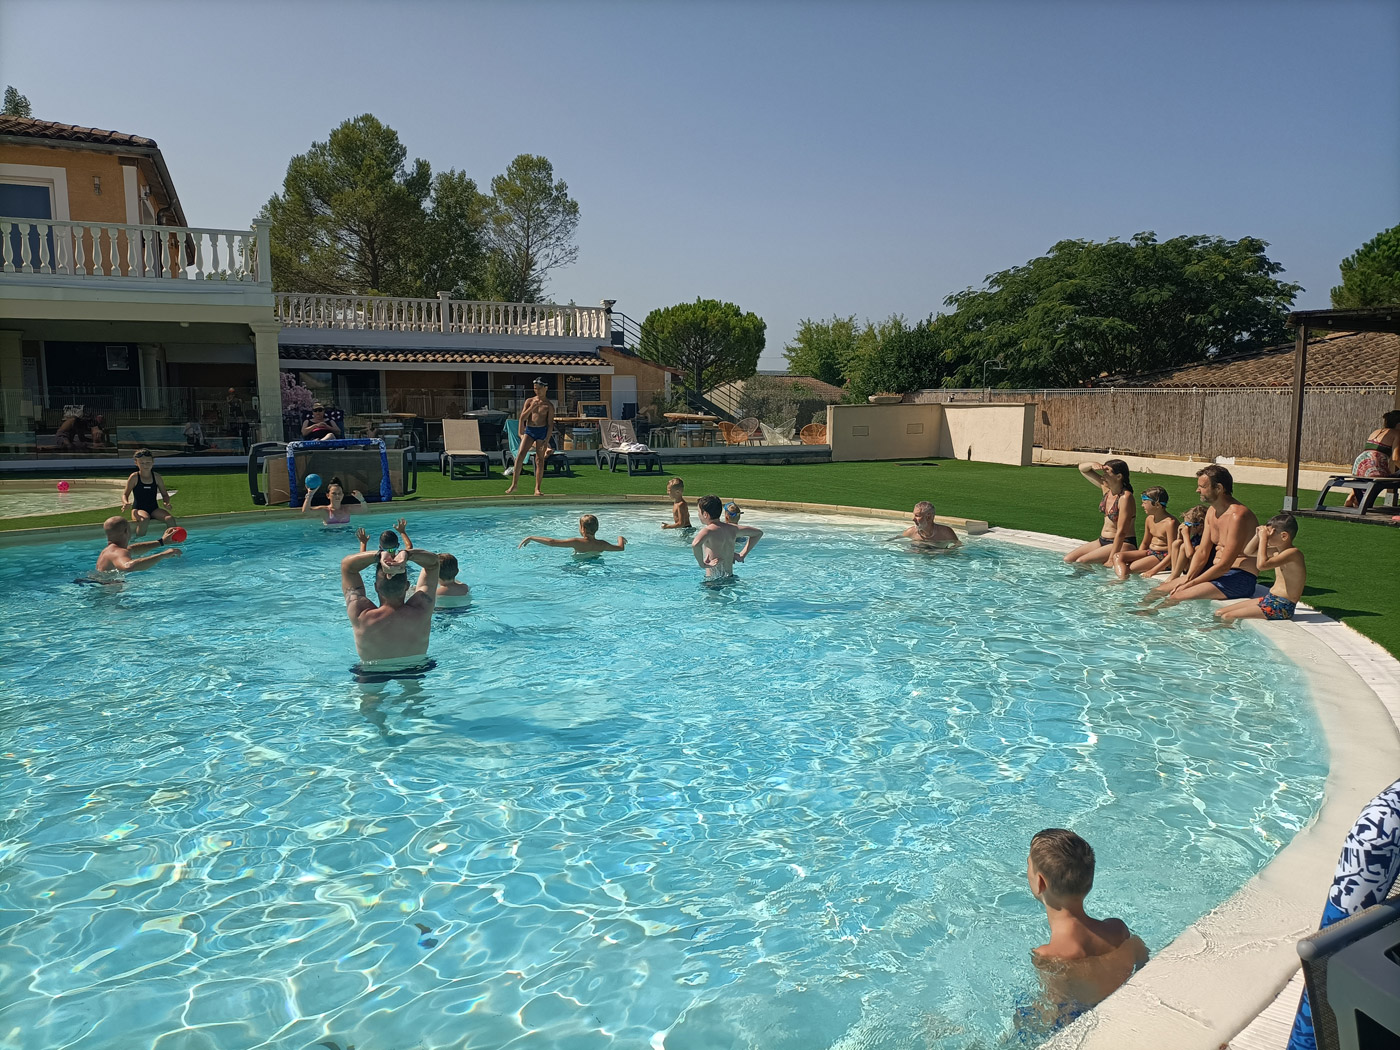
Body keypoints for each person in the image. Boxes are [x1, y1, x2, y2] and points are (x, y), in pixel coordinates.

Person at [1024, 828, 1148, 1027]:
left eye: (1028, 864)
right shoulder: (1118, 930)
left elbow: (1053, 1015)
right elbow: (1145, 962)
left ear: (1040, 882)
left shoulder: (1048, 957)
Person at [1151, 465, 1260, 604]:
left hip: (1239, 577)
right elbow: (1202, 552)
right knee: (1159, 590)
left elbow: (1225, 565)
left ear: (1218, 488)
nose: (1197, 490)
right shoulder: (1211, 512)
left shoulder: (1237, 516)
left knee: (1177, 596)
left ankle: (1155, 615)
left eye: (1202, 486)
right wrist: (1189, 578)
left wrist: (1190, 584)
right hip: (1215, 572)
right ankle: (1141, 615)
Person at [340, 531, 440, 672]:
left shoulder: (360, 613)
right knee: (413, 686)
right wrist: (406, 554)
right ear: (406, 586)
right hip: (414, 669)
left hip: (372, 673)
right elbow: (433, 563)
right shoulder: (422, 607)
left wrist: (380, 555)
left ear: (376, 587)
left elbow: (347, 566)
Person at [1216, 513, 1306, 621]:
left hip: (1282, 606)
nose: (1267, 537)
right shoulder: (1277, 551)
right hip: (1270, 599)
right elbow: (1248, 552)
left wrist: (1263, 539)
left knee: (1228, 616)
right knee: (1220, 612)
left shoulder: (1293, 554)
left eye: (1270, 534)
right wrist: (1257, 536)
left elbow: (1261, 565)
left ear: (1284, 536)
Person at [1063, 460, 1136, 565]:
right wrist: (1093, 464)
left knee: (1081, 561)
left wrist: (1111, 558)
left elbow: (1122, 531)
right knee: (1068, 559)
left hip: (1123, 543)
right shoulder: (1106, 489)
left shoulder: (1125, 497)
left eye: (1107, 472)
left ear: (1119, 476)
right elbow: (1082, 469)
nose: (1103, 476)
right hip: (1102, 540)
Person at [692, 494, 763, 580]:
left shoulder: (708, 531)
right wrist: (742, 554)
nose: (698, 515)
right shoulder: (732, 528)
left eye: (699, 512)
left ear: (705, 514)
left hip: (713, 580)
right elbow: (758, 533)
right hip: (730, 578)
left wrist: (702, 564)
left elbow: (695, 544)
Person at [1111, 487, 1176, 580]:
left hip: (1163, 556)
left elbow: (1172, 553)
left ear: (1157, 504)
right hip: (1150, 552)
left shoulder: (1170, 523)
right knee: (1117, 556)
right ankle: (1121, 580)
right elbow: (1145, 543)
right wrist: (1137, 556)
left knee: (1130, 568)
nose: (1142, 505)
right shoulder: (1149, 519)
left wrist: (1153, 571)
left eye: (1145, 503)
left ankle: (1121, 583)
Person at [505, 378, 555, 496]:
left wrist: (546, 440)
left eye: (539, 389)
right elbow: (522, 418)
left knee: (539, 460)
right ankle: (514, 484)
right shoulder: (530, 401)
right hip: (530, 430)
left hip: (542, 432)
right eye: (535, 389)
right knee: (520, 455)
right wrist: (531, 408)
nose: (536, 391)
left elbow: (550, 425)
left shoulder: (548, 405)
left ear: (545, 388)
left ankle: (537, 488)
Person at [1345, 408, 1400, 506]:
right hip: (1374, 465)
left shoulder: (1376, 431)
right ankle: (1357, 499)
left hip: (1360, 464)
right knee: (1389, 479)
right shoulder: (1397, 433)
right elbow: (1396, 458)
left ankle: (1352, 496)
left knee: (1365, 484)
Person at [94, 516, 184, 575]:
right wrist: (162, 555)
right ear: (126, 531)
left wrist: (161, 542)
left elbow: (133, 549)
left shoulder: (111, 550)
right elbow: (128, 567)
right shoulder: (117, 552)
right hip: (108, 595)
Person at [121, 449, 177, 537]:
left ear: (153, 462)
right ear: (136, 463)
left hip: (154, 509)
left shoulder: (156, 477)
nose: (145, 465)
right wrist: (125, 503)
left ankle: (172, 538)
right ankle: (139, 541)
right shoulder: (134, 477)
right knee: (144, 519)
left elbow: (165, 494)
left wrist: (166, 503)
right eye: (142, 463)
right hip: (138, 509)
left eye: (148, 462)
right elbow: (125, 494)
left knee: (170, 519)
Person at [518, 514, 626, 556]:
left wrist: (531, 537)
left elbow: (552, 543)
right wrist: (620, 538)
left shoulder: (576, 542)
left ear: (583, 529)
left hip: (579, 567)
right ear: (596, 528)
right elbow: (621, 548)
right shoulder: (602, 544)